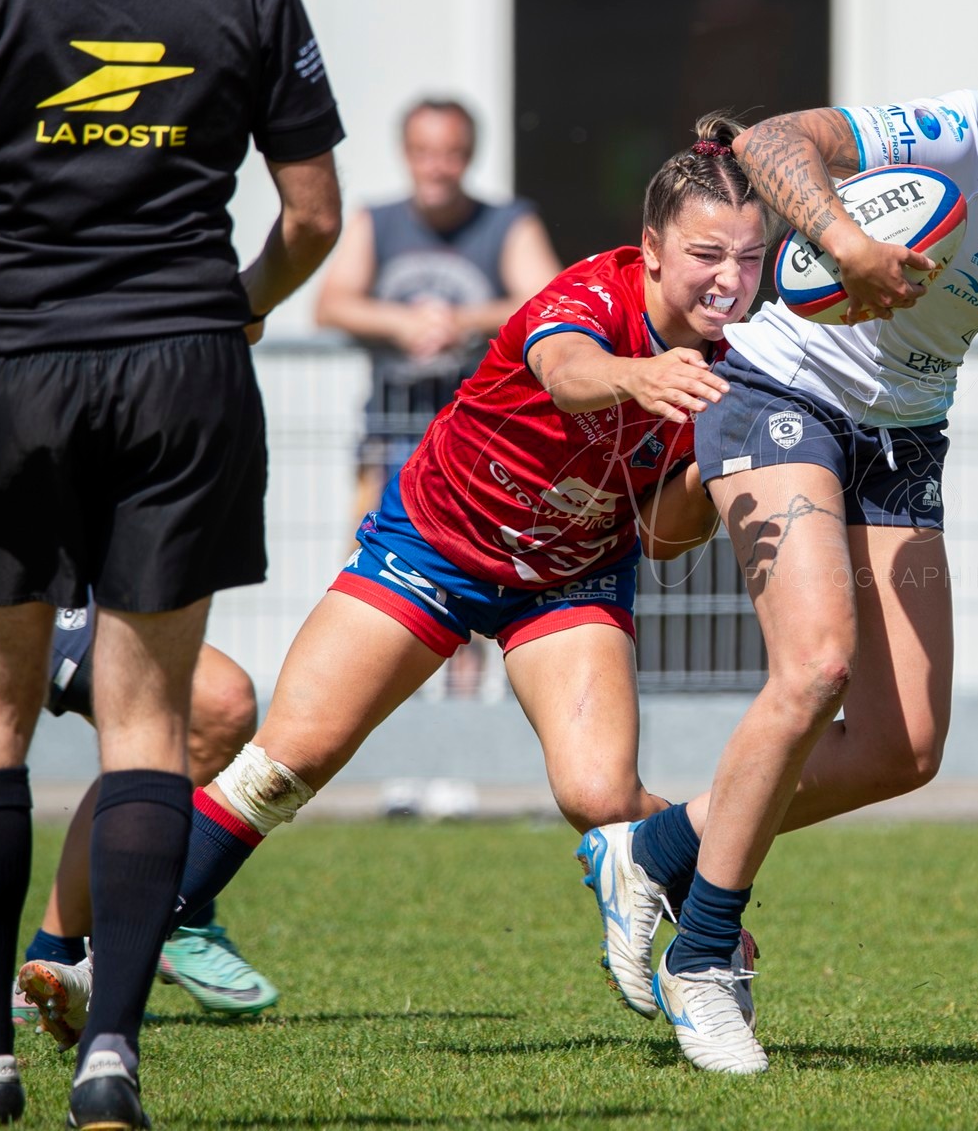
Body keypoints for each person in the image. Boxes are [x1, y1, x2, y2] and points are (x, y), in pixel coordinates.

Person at [574, 0, 978, 1074]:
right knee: (815, 666)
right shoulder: (949, 135)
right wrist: (844, 240)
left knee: (906, 747)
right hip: (779, 394)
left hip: (906, 439)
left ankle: (652, 848)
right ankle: (703, 957)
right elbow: (768, 141)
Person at [0, 0, 343, 1123]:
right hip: (185, 372)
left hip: (15, 367)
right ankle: (114, 1052)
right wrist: (234, 310)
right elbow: (313, 218)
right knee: (150, 721)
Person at [157, 119, 764, 1009]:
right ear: (653, 251)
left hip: (568, 576)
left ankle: (701, 929)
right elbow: (565, 373)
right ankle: (89, 951)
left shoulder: (743, 362)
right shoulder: (591, 295)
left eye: (751, 258)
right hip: (431, 548)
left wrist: (716, 462)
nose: (731, 279)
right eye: (708, 253)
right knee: (285, 763)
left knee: (600, 794)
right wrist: (640, 377)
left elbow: (668, 538)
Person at [0, 342, 281, 1051]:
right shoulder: (49, 274)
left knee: (207, 711)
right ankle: (158, 922)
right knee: (199, 710)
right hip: (22, 553)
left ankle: (75, 952)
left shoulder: (168, 283)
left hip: (116, 553)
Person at [316, 98, 562, 698]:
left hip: (479, 439)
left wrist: (463, 319)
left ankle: (459, 739)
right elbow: (331, 303)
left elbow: (550, 295)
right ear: (406, 155)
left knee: (472, 580)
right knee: (376, 584)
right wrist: (400, 323)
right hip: (390, 436)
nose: (438, 167)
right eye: (425, 153)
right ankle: (385, 732)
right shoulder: (377, 220)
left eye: (451, 153)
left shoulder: (508, 222)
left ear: (469, 156)